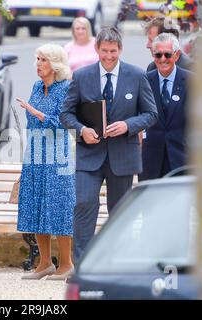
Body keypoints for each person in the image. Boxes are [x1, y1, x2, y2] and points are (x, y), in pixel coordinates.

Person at [60, 27, 158, 262]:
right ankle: (82, 264)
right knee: (83, 204)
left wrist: (129, 125)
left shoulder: (136, 76)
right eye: (104, 51)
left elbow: (151, 113)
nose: (109, 56)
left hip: (123, 156)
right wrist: (82, 130)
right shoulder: (82, 76)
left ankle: (117, 262)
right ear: (97, 49)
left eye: (113, 51)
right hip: (88, 155)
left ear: (120, 49)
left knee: (120, 212)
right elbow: (66, 114)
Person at [17, 44, 75, 281]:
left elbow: (63, 122)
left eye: (44, 60)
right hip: (35, 152)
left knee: (59, 206)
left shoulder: (65, 88)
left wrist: (36, 113)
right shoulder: (36, 86)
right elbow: (32, 121)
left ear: (55, 64)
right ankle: (44, 263)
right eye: (37, 59)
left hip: (57, 154)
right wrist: (34, 116)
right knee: (36, 205)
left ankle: (66, 264)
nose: (38, 64)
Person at [139, 33, 192, 180]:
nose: (163, 59)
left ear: (176, 55)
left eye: (167, 55)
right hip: (150, 161)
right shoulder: (144, 81)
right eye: (158, 55)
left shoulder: (192, 81)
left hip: (182, 159)